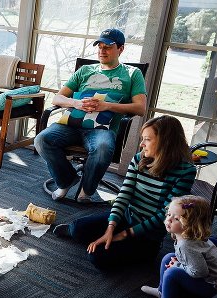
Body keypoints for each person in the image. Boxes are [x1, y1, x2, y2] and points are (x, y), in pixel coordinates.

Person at [53, 115, 197, 270]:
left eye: (147, 139)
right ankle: (93, 235)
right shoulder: (138, 160)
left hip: (147, 235)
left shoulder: (186, 171)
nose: (141, 144)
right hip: (127, 217)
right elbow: (124, 195)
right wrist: (110, 228)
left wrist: (121, 235)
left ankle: (139, 253)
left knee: (98, 258)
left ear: (165, 142)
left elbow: (164, 214)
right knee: (77, 228)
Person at [34, 28, 147, 202]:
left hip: (102, 129)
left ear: (121, 49)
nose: (102, 51)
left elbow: (140, 108)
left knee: (102, 148)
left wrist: (106, 106)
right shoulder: (85, 70)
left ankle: (86, 190)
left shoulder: (132, 74)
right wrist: (76, 103)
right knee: (41, 140)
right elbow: (57, 97)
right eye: (100, 46)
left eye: (108, 47)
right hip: (71, 124)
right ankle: (66, 181)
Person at [140, 195, 217, 298]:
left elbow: (200, 272)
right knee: (168, 257)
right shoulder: (186, 236)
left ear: (190, 224)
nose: (169, 219)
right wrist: (179, 262)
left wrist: (179, 265)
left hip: (214, 287)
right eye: (169, 214)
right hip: (206, 274)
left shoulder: (186, 245)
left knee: (171, 273)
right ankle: (162, 291)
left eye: (176, 218)